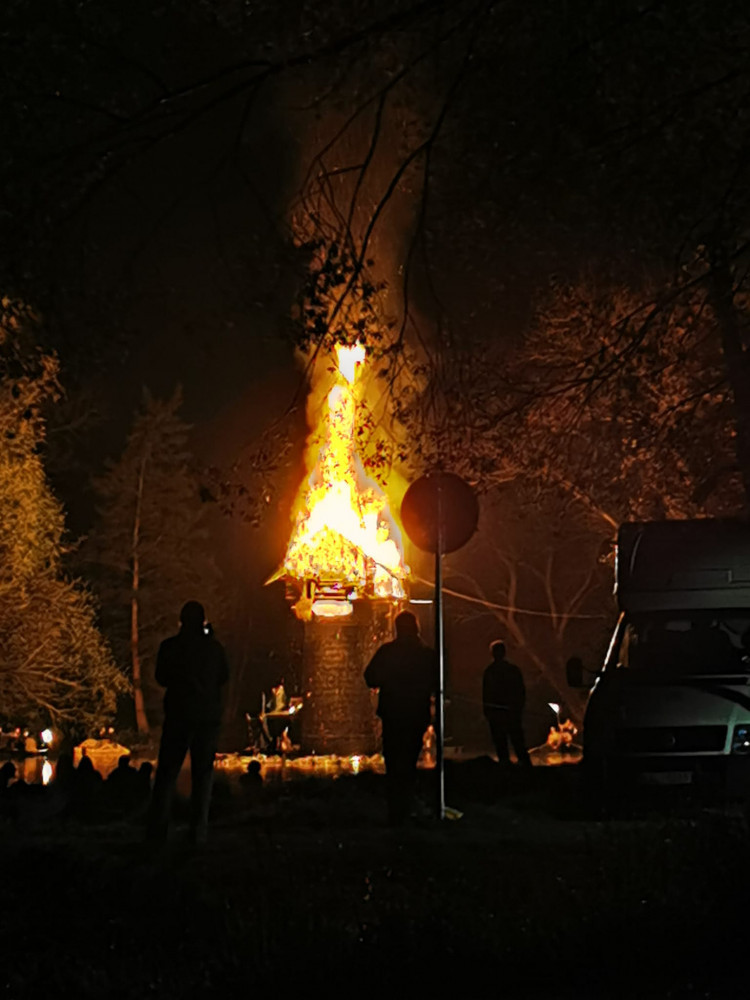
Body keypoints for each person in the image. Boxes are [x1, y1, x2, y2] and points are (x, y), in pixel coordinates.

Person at [147, 601, 229, 844]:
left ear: (181, 621)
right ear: (203, 621)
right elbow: (223, 677)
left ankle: (158, 830)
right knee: (202, 775)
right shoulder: (214, 649)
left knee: (167, 774)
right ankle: (198, 831)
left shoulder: (170, 647)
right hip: (206, 718)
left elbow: (161, 678)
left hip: (178, 716)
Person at [364, 610, 437, 826]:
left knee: (394, 762)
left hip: (393, 714)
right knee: (409, 761)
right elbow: (438, 681)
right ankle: (405, 807)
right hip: (415, 715)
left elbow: (370, 678)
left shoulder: (388, 652)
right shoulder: (426, 655)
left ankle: (396, 810)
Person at [482, 640, 531, 767]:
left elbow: (486, 694)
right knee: (516, 742)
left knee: (502, 744)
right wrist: (518, 708)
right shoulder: (512, 670)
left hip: (499, 714)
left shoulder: (490, 672)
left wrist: (488, 711)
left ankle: (508, 770)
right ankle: (526, 769)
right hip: (510, 713)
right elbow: (521, 691)